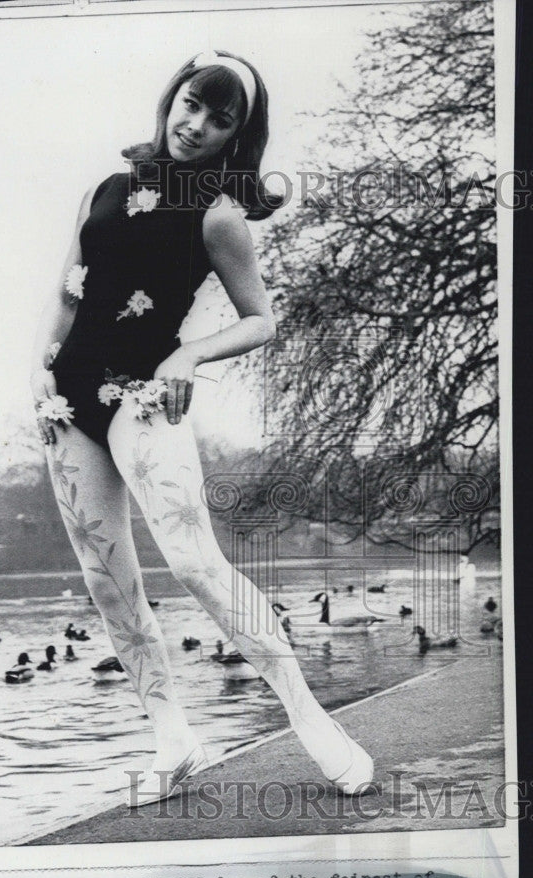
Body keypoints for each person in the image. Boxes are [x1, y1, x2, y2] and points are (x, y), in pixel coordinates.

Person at [30, 50, 373, 803]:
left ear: (236, 136)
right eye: (192, 104)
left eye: (221, 119)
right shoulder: (104, 187)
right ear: (171, 99)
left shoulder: (220, 216)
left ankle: (309, 715)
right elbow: (67, 289)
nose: (197, 125)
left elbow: (260, 321)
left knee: (191, 560)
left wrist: (188, 351)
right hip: (68, 402)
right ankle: (172, 738)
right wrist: (38, 371)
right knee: (106, 579)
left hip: (145, 393)